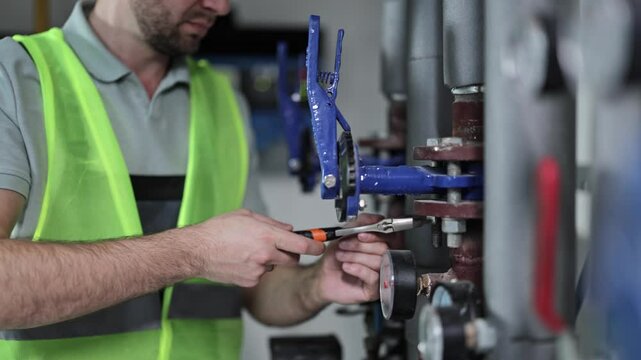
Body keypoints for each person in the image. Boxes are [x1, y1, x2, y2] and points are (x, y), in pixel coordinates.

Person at [0, 0, 389, 358]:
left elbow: (261, 290)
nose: (220, 7)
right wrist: (192, 253)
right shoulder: (15, 77)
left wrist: (318, 283)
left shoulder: (223, 100)